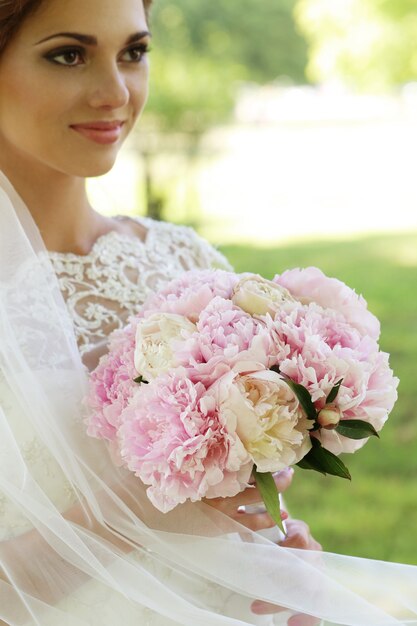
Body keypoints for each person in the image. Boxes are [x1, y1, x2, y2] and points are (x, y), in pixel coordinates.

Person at [0, 1, 416, 625]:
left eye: (133, 53)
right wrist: (133, 510)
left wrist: (278, 554)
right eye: (68, 55)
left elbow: (239, 506)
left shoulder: (185, 261)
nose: (115, 92)